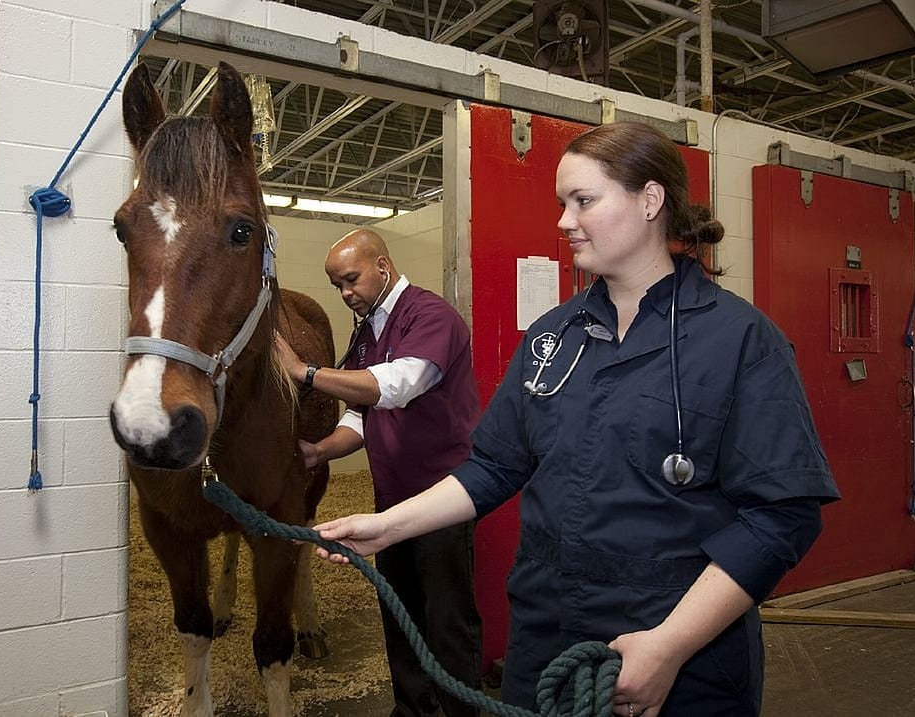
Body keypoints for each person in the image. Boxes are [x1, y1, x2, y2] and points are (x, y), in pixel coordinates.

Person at [313, 122, 840, 717]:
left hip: (677, 646)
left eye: (583, 201)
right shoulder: (551, 337)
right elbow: (494, 466)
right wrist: (390, 526)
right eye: (562, 204)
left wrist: (668, 647)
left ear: (650, 201)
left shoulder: (740, 339)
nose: (563, 221)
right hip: (549, 635)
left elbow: (780, 518)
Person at [275, 228, 483, 717]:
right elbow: (360, 414)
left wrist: (305, 372)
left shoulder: (431, 316)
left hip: (442, 496)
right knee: (399, 608)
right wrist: (319, 452)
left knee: (446, 618)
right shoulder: (367, 329)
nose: (346, 293)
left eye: (351, 279)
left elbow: (397, 385)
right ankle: (412, 709)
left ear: (383, 267)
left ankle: (459, 712)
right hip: (392, 496)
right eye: (337, 286)